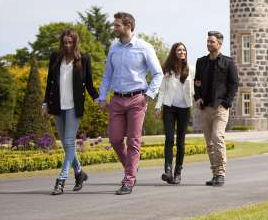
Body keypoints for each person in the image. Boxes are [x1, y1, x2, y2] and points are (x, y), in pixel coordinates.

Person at [98, 12, 163, 195]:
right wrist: (102, 97)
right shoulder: (113, 48)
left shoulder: (144, 47)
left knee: (133, 140)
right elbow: (107, 76)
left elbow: (158, 73)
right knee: (115, 139)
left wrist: (148, 95)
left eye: (117, 25)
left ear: (128, 26)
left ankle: (128, 180)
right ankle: (132, 166)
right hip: (117, 99)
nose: (114, 28)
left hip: (137, 99)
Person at [43, 27, 99, 195]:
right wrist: (45, 103)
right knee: (66, 144)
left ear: (75, 43)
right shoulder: (55, 58)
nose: (67, 45)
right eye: (65, 42)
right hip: (57, 106)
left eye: (70, 42)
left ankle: (61, 180)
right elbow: (49, 82)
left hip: (74, 107)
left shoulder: (84, 59)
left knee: (68, 142)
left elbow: (89, 84)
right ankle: (79, 173)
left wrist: (98, 99)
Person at [194, 31, 239, 187]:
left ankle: (220, 173)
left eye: (211, 41)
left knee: (217, 137)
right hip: (205, 108)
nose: (208, 44)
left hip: (220, 108)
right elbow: (197, 82)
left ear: (219, 44)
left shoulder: (228, 62)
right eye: (207, 41)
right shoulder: (201, 62)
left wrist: (226, 102)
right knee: (209, 143)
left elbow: (234, 84)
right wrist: (197, 97)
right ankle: (215, 174)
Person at [154, 42, 194, 185]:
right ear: (174, 52)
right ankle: (168, 170)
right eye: (179, 50)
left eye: (184, 50)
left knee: (180, 142)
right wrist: (158, 106)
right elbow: (162, 90)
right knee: (169, 139)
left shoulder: (191, 69)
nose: (182, 52)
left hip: (184, 109)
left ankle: (178, 173)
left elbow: (195, 88)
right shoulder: (168, 70)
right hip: (169, 107)